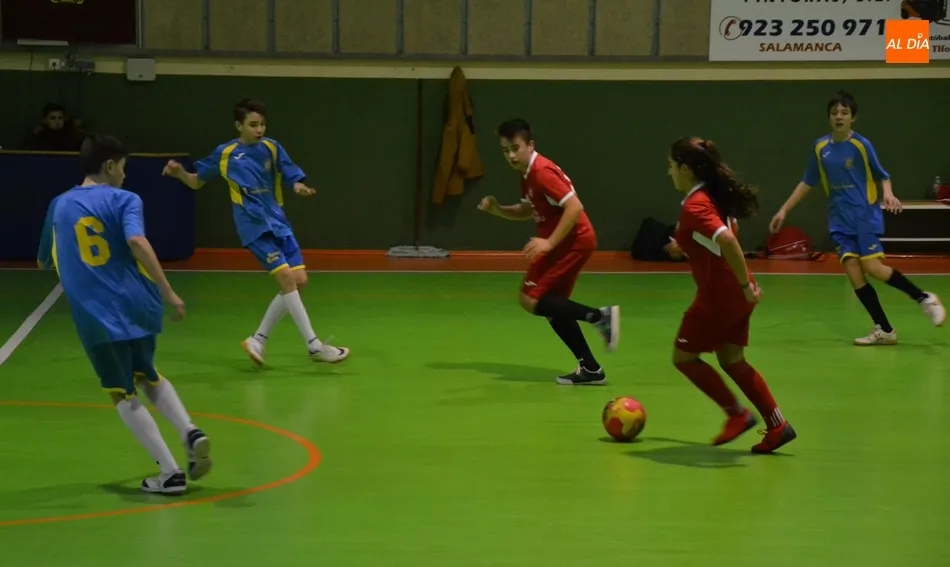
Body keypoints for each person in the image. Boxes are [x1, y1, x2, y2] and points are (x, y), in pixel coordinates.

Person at [36, 134, 212, 494]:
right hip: (139, 303)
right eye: (123, 167)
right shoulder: (127, 199)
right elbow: (135, 240)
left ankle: (170, 473)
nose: (125, 175)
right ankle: (190, 431)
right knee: (148, 374)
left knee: (121, 392)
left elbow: (43, 261)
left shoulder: (59, 205)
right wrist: (168, 291)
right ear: (109, 165)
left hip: (98, 315)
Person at [162, 97, 349, 366]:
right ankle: (314, 345)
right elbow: (195, 182)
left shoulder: (272, 148)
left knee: (299, 281)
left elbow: (291, 174)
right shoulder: (225, 154)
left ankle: (257, 339)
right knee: (286, 278)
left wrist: (298, 186)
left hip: (278, 222)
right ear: (239, 126)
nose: (259, 129)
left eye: (262, 124)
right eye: (253, 125)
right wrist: (179, 172)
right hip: (253, 226)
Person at [769, 90, 945, 345]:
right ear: (829, 117)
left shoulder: (862, 145)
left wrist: (888, 193)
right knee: (853, 272)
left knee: (873, 268)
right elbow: (808, 181)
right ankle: (885, 330)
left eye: (844, 112)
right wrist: (784, 210)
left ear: (853, 118)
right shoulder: (820, 148)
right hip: (839, 221)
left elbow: (883, 175)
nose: (839, 117)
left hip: (864, 216)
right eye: (834, 113)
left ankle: (924, 299)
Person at [668, 136, 795, 454]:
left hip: (720, 296)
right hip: (736, 292)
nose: (669, 173)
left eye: (670, 166)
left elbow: (726, 239)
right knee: (732, 358)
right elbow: (721, 237)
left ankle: (736, 414)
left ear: (685, 169)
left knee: (683, 358)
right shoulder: (711, 195)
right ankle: (778, 425)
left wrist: (743, 286)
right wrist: (688, 245)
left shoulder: (696, 204)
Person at [478, 118, 620, 386]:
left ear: (530, 145)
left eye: (515, 148)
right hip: (569, 240)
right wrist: (498, 209)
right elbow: (526, 209)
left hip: (572, 240)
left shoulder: (542, 171)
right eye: (505, 150)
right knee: (552, 305)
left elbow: (574, 207)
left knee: (530, 298)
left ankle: (600, 317)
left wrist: (549, 243)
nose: (510, 155)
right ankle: (591, 369)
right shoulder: (527, 174)